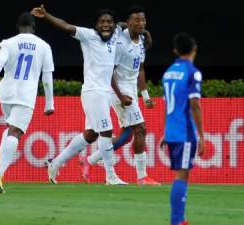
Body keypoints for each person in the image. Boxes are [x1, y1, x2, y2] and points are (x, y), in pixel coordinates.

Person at [31, 5, 127, 185]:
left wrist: (141, 29)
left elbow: (125, 24)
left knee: (91, 134)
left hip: (105, 92)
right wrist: (47, 15)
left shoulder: (116, 33)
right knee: (106, 131)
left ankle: (55, 163)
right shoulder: (88, 35)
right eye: (102, 22)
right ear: (96, 25)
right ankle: (110, 176)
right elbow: (66, 26)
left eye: (109, 22)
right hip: (93, 92)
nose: (105, 25)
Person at [79, 5, 160, 185]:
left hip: (130, 89)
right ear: (128, 22)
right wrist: (121, 95)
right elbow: (110, 72)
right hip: (118, 89)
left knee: (128, 135)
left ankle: (90, 160)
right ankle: (142, 177)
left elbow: (140, 69)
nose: (141, 23)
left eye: (143, 20)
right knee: (141, 129)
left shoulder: (141, 41)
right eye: (137, 20)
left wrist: (145, 96)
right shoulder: (120, 42)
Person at [0, 12, 55, 193]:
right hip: (25, 95)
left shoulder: (7, 42)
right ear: (34, 27)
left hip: (6, 94)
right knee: (15, 132)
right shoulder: (44, 46)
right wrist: (49, 102)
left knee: (10, 128)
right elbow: (47, 76)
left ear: (18, 27)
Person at [160, 32, 205, 225]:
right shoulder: (192, 71)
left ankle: (179, 219)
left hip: (172, 131)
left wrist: (165, 131)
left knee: (181, 172)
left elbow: (167, 105)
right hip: (185, 131)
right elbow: (194, 105)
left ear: (175, 51)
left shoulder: (169, 72)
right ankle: (176, 220)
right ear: (194, 49)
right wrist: (201, 136)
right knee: (182, 174)